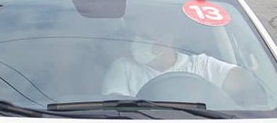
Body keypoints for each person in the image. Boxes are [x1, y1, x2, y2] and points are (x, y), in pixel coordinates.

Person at [102, 16, 266, 106]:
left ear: (167, 41)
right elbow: (114, 106)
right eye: (136, 36)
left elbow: (242, 80)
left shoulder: (201, 65)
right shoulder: (124, 67)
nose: (136, 42)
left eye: (145, 37)